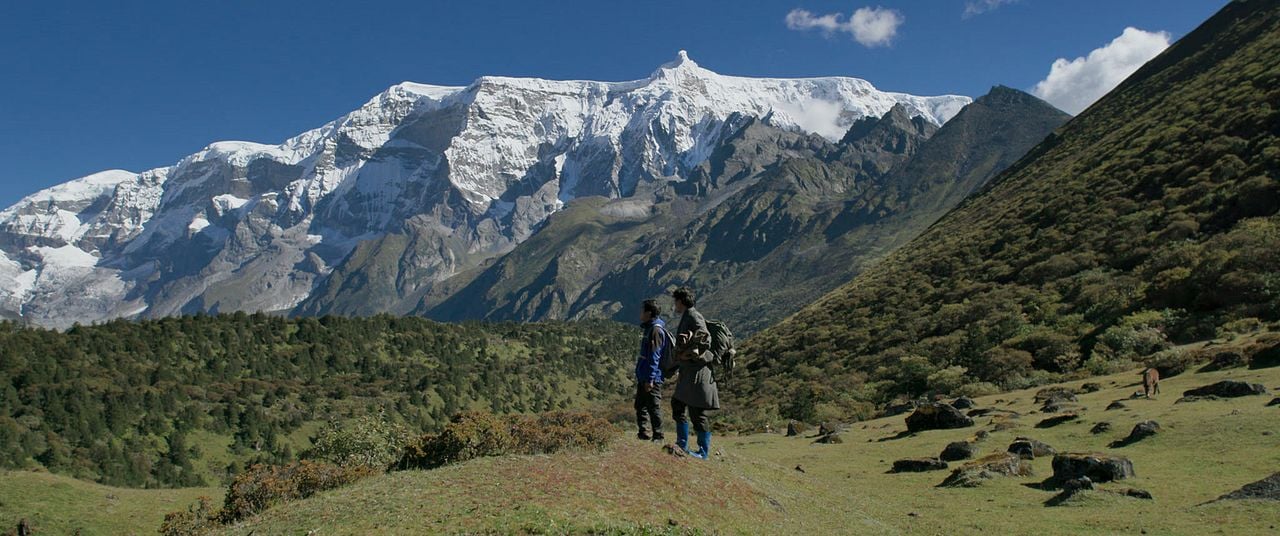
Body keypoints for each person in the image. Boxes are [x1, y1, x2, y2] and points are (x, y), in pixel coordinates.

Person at [664, 286, 719, 459]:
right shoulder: (689, 315)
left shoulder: (694, 316)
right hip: (690, 372)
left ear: (680, 301)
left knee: (696, 413)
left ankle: (702, 452)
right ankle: (683, 444)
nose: (674, 305)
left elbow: (706, 339)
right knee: (678, 405)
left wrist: (688, 354)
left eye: (675, 302)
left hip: (698, 373)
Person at [635, 299, 668, 441]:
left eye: (642, 311)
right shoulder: (650, 328)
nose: (640, 313)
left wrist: (650, 379)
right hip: (645, 375)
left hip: (651, 377)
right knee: (640, 405)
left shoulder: (655, 330)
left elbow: (655, 356)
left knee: (653, 407)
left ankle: (658, 436)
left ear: (648, 313)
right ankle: (644, 433)